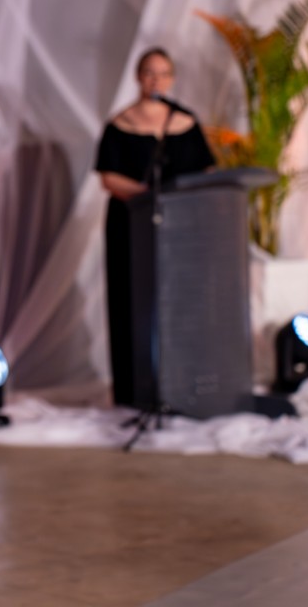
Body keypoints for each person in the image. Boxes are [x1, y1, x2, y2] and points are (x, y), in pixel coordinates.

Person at [94, 47, 215, 408]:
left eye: (163, 74)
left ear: (172, 79)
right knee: (132, 299)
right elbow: (109, 178)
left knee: (179, 301)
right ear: (138, 77)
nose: (156, 80)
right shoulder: (120, 124)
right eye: (149, 73)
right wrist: (146, 195)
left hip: (180, 226)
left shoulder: (186, 122)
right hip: (131, 223)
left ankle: (183, 384)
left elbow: (206, 172)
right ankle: (135, 390)